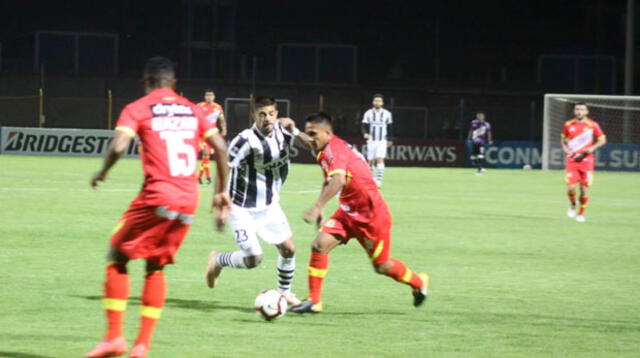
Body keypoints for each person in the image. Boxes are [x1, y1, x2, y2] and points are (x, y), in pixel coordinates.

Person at [85, 57, 230, 358]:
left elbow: (118, 146)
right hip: (188, 200)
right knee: (155, 264)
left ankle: (114, 338)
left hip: (157, 195)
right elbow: (220, 148)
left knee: (117, 255)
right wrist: (221, 193)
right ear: (173, 83)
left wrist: (102, 172)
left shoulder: (138, 107)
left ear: (145, 82)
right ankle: (142, 346)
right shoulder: (192, 110)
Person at [290, 112, 429, 314]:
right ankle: (314, 300)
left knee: (381, 266)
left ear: (327, 133)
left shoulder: (335, 150)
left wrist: (318, 206)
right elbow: (331, 180)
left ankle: (419, 282)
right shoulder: (325, 149)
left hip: (371, 216)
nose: (310, 139)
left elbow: (337, 181)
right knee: (319, 245)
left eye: (313, 134)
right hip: (347, 213)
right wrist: (293, 131)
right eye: (307, 134)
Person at [204, 96, 312, 306]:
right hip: (241, 209)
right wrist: (220, 203)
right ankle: (218, 260)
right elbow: (224, 165)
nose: (267, 119)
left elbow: (312, 146)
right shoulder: (245, 140)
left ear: (276, 114)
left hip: (270, 206)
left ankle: (285, 293)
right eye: (262, 114)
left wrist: (295, 130)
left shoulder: (282, 132)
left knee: (289, 249)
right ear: (254, 115)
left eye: (271, 114)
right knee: (254, 259)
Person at [561, 102, 606, 222]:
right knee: (570, 188)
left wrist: (592, 148)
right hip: (572, 160)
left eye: (582, 109)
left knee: (584, 189)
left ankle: (581, 212)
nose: (579, 111)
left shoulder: (592, 124)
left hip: (586, 161)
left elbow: (602, 140)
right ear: (574, 111)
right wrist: (564, 148)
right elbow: (563, 139)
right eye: (577, 109)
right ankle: (572, 204)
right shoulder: (568, 124)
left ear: (586, 112)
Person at [361, 93, 393, 187]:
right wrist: (365, 133)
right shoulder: (368, 113)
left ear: (382, 103)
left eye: (379, 101)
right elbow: (364, 125)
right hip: (371, 140)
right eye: (375, 100)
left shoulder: (387, 114)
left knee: (380, 158)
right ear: (373, 102)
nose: (377, 102)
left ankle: (378, 181)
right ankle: (371, 179)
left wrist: (390, 139)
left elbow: (390, 127)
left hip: (382, 140)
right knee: (370, 161)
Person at [197, 89, 227, 184]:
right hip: (201, 134)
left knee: (207, 156)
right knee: (205, 154)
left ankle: (202, 177)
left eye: (211, 95)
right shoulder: (199, 106)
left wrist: (224, 129)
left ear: (214, 97)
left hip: (212, 134)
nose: (209, 97)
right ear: (205, 97)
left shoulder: (217, 107)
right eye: (207, 95)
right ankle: (207, 177)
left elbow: (222, 120)